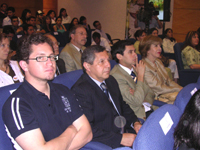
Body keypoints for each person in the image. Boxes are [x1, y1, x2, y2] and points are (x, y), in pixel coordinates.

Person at [2, 33, 92, 150]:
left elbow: (87, 133)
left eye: (51, 57)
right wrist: (71, 130)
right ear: (24, 65)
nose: (50, 63)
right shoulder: (18, 105)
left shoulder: (63, 91)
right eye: (41, 58)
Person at [71, 45, 142, 149]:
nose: (108, 65)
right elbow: (87, 129)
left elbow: (122, 105)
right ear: (87, 66)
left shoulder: (110, 80)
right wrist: (120, 139)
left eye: (108, 60)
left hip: (125, 130)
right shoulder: (80, 91)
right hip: (108, 141)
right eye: (101, 61)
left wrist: (135, 122)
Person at [110, 40, 155, 120]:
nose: (136, 55)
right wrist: (140, 76)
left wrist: (143, 99)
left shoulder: (135, 70)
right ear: (119, 56)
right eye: (130, 52)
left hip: (149, 108)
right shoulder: (116, 76)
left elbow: (151, 93)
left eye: (134, 51)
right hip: (138, 117)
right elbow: (136, 100)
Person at [139, 35, 182, 103]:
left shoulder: (158, 61)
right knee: (181, 98)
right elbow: (158, 88)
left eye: (159, 46)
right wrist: (178, 89)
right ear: (147, 49)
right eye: (156, 46)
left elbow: (169, 81)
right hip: (155, 97)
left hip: (166, 92)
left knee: (185, 95)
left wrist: (180, 88)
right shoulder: (144, 66)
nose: (160, 49)